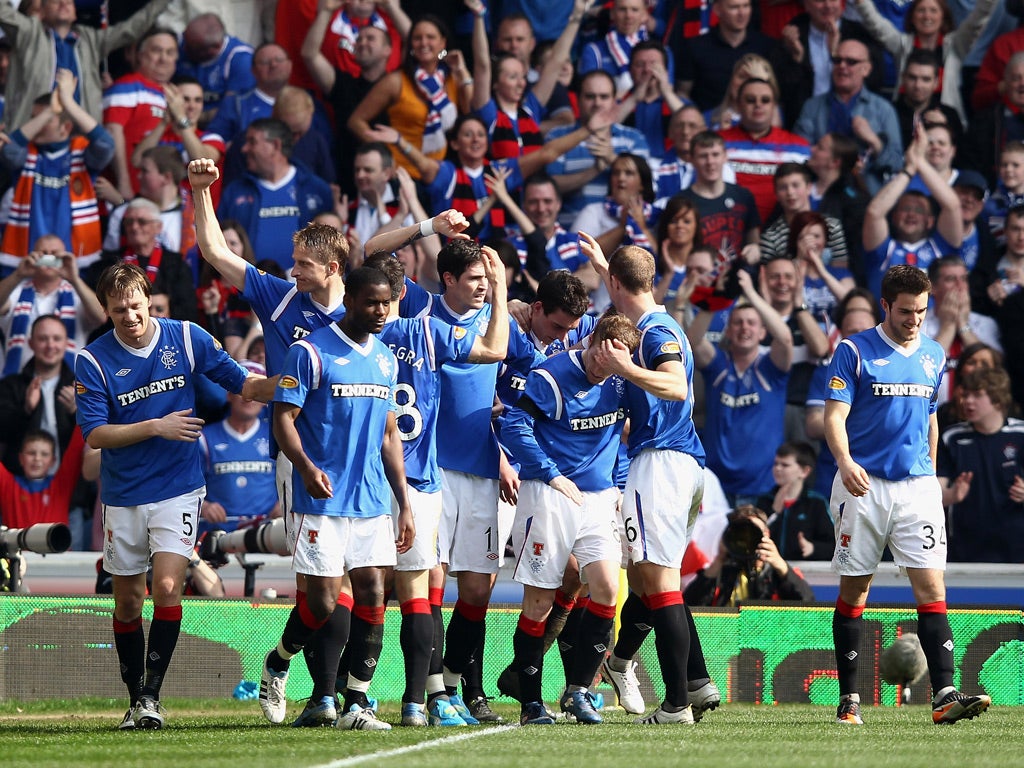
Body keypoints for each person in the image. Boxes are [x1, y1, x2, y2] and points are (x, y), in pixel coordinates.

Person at [74, 261, 271, 731]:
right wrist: (156, 427)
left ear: (148, 299)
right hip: (123, 494)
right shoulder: (93, 360)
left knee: (165, 586)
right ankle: (133, 696)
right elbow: (96, 435)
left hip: (179, 488)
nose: (131, 316)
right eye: (120, 309)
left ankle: (151, 696)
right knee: (127, 601)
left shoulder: (185, 336)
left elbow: (239, 380)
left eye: (137, 306)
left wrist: (287, 384)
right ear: (106, 309)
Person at [824, 263, 991, 726]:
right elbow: (834, 416)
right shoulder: (854, 351)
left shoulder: (935, 354)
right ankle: (849, 701)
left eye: (921, 310)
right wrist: (845, 462)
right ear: (885, 306)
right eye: (905, 311)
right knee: (856, 588)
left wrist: (931, 476)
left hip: (916, 486)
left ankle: (943, 696)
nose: (914, 319)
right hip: (864, 483)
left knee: (932, 587)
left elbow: (931, 417)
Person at [260, 267, 413, 730]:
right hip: (322, 498)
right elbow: (283, 419)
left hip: (370, 500)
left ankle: (357, 704)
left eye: (386, 303)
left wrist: (403, 501)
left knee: (373, 594)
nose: (381, 311)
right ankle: (279, 660)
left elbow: (389, 435)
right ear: (349, 301)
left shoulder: (386, 359)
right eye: (371, 302)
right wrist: (306, 468)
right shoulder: (310, 352)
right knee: (324, 602)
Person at [364, 249, 509, 726]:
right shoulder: (427, 326)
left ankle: (430, 693)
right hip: (420, 475)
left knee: (396, 589)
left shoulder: (351, 338)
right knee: (411, 588)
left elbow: (507, 355)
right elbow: (493, 350)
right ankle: (405, 697)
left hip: (411, 475)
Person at [579, 238, 713, 725]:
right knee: (646, 579)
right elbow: (627, 286)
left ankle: (677, 702)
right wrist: (605, 264)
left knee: (659, 584)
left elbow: (676, 384)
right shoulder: (653, 317)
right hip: (681, 465)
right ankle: (679, 680)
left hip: (661, 464)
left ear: (615, 284)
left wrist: (624, 368)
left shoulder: (656, 333)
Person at [502, 311, 640, 726]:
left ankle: (580, 691)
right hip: (550, 494)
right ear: (592, 339)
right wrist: (551, 473)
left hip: (598, 499)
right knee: (540, 601)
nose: (604, 366)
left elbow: (619, 434)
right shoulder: (550, 376)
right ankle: (530, 703)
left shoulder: (621, 379)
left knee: (605, 590)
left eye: (616, 360)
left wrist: (617, 483)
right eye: (601, 355)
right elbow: (514, 424)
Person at [687, 268, 794, 505]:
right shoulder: (718, 366)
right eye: (737, 323)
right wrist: (717, 297)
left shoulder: (772, 368)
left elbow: (785, 338)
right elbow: (692, 341)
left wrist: (750, 292)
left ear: (762, 331)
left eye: (751, 323)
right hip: (715, 486)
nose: (744, 328)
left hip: (761, 487)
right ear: (728, 331)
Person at [0, 69, 113, 275]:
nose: (38, 124)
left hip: (77, 261)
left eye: (46, 120)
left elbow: (106, 144)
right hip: (26, 259)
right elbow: (9, 150)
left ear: (66, 127)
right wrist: (50, 112)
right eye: (35, 118)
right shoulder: (27, 154)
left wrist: (68, 103)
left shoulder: (82, 153)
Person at [0, 0, 172, 132]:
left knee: (105, 145)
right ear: (42, 12)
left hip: (80, 136)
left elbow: (133, 28)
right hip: (31, 132)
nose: (63, 4)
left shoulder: (91, 39)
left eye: (69, 2)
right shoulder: (29, 33)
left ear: (75, 13)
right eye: (55, 1)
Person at [347, 16, 471, 179]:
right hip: (401, 175)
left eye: (430, 37)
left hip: (438, 176)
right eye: (417, 38)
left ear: (442, 43)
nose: (423, 43)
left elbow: (471, 113)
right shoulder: (396, 81)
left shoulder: (451, 79)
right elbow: (356, 121)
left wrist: (462, 71)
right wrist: (383, 158)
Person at [850, 0, 998, 126]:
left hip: (945, 122)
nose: (927, 16)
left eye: (933, 11)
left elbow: (977, 21)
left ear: (943, 17)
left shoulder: (955, 45)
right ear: (912, 17)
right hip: (905, 121)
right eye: (921, 11)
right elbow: (876, 24)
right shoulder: (902, 45)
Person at [217, 118, 333, 271]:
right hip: (248, 289)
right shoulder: (234, 192)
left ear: (276, 145)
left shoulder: (316, 189)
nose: (244, 149)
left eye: (252, 142)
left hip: (304, 289)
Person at [861, 124, 963, 299]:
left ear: (930, 221)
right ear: (893, 217)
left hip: (934, 325)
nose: (912, 214)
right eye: (905, 209)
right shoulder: (883, 250)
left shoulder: (941, 248)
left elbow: (952, 205)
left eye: (919, 210)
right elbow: (874, 212)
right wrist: (909, 169)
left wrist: (920, 161)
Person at [793, 39, 904, 194]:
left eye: (851, 62)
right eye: (837, 60)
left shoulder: (883, 109)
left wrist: (874, 141)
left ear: (866, 69)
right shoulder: (812, 106)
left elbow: (897, 164)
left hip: (866, 197)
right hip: (819, 193)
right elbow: (798, 155)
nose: (842, 66)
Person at [937, 366, 1024, 563]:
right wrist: (952, 495)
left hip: (1016, 546)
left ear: (998, 399)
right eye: (965, 395)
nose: (967, 401)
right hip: (965, 546)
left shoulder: (1020, 435)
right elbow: (934, 493)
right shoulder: (951, 437)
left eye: (977, 395)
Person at [0, 234, 104, 373]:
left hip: (66, 388)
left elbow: (101, 317)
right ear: (33, 256)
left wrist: (75, 279)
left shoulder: (77, 294)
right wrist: (19, 274)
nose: (48, 258)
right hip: (17, 385)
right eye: (43, 253)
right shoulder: (16, 291)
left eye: (55, 254)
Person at [198, 361, 279, 536]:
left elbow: (294, 480)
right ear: (229, 394)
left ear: (266, 400)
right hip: (217, 537)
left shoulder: (278, 436)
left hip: (267, 536)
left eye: (257, 392)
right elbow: (185, 485)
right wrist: (203, 506)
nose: (248, 398)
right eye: (242, 390)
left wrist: (285, 504)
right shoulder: (203, 439)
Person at [103, 27, 180, 201]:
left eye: (170, 52)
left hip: (166, 197)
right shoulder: (125, 88)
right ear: (140, 54)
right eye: (156, 51)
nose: (163, 59)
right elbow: (112, 133)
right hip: (131, 193)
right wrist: (123, 183)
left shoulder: (177, 95)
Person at [683, 504, 816, 605]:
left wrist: (779, 564)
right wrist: (719, 560)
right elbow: (690, 606)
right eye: (741, 534)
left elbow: (808, 603)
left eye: (753, 533)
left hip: (770, 639)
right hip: (727, 638)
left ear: (767, 535)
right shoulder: (720, 573)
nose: (747, 539)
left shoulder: (780, 573)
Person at [719, 77, 810, 224]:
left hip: (783, 233)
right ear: (738, 105)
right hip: (729, 227)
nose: (758, 105)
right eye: (750, 100)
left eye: (765, 100)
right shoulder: (718, 144)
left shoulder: (799, 147)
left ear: (774, 106)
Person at [923, 257, 1002, 408]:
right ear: (932, 287)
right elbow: (921, 367)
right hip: (933, 413)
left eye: (964, 279)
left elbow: (994, 368)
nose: (960, 286)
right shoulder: (919, 325)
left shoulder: (986, 324)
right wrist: (947, 327)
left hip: (977, 411)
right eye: (951, 279)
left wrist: (963, 326)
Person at [675, 0, 774, 113]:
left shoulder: (766, 47)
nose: (742, 13)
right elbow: (683, 93)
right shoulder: (696, 47)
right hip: (707, 125)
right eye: (734, 7)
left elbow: (775, 98)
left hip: (755, 123)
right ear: (717, 10)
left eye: (746, 6)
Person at [754, 441, 834, 561]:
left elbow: (834, 545)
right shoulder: (764, 501)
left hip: (803, 575)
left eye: (785, 465)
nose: (778, 468)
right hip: (769, 572)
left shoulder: (816, 503)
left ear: (804, 471)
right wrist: (773, 513)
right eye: (776, 464)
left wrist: (812, 548)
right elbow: (753, 539)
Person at [176, 12, 256, 125]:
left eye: (191, 48)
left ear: (215, 47)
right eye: (185, 39)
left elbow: (231, 110)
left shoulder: (241, 60)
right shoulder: (179, 42)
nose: (183, 48)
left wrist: (187, 118)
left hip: (213, 126)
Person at [0, 427, 85, 529]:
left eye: (44, 454)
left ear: (53, 461)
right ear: (21, 458)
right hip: (16, 545)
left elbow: (76, 447)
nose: (37, 458)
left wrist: (85, 411)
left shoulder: (61, 485)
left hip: (54, 545)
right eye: (31, 453)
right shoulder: (8, 485)